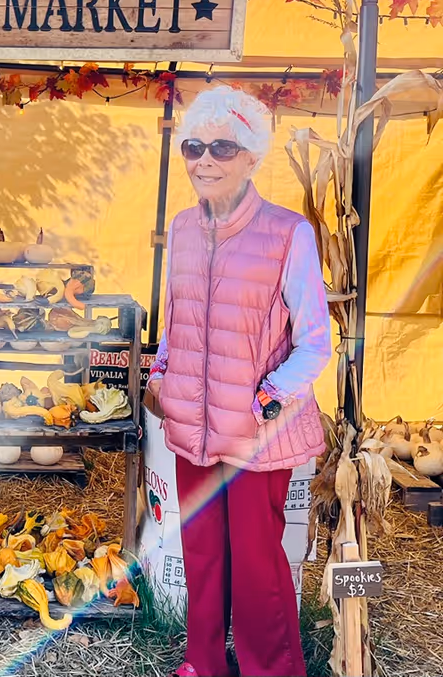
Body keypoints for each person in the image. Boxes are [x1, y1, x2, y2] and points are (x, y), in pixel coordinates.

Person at [146, 85, 331, 677]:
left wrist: (270, 399)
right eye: (194, 146)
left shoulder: (287, 233)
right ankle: (202, 662)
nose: (205, 160)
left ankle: (270, 669)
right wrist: (160, 374)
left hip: (255, 431)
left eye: (222, 147)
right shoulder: (179, 228)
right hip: (193, 426)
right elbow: (176, 318)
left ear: (253, 156)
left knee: (255, 562)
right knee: (202, 553)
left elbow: (315, 341)